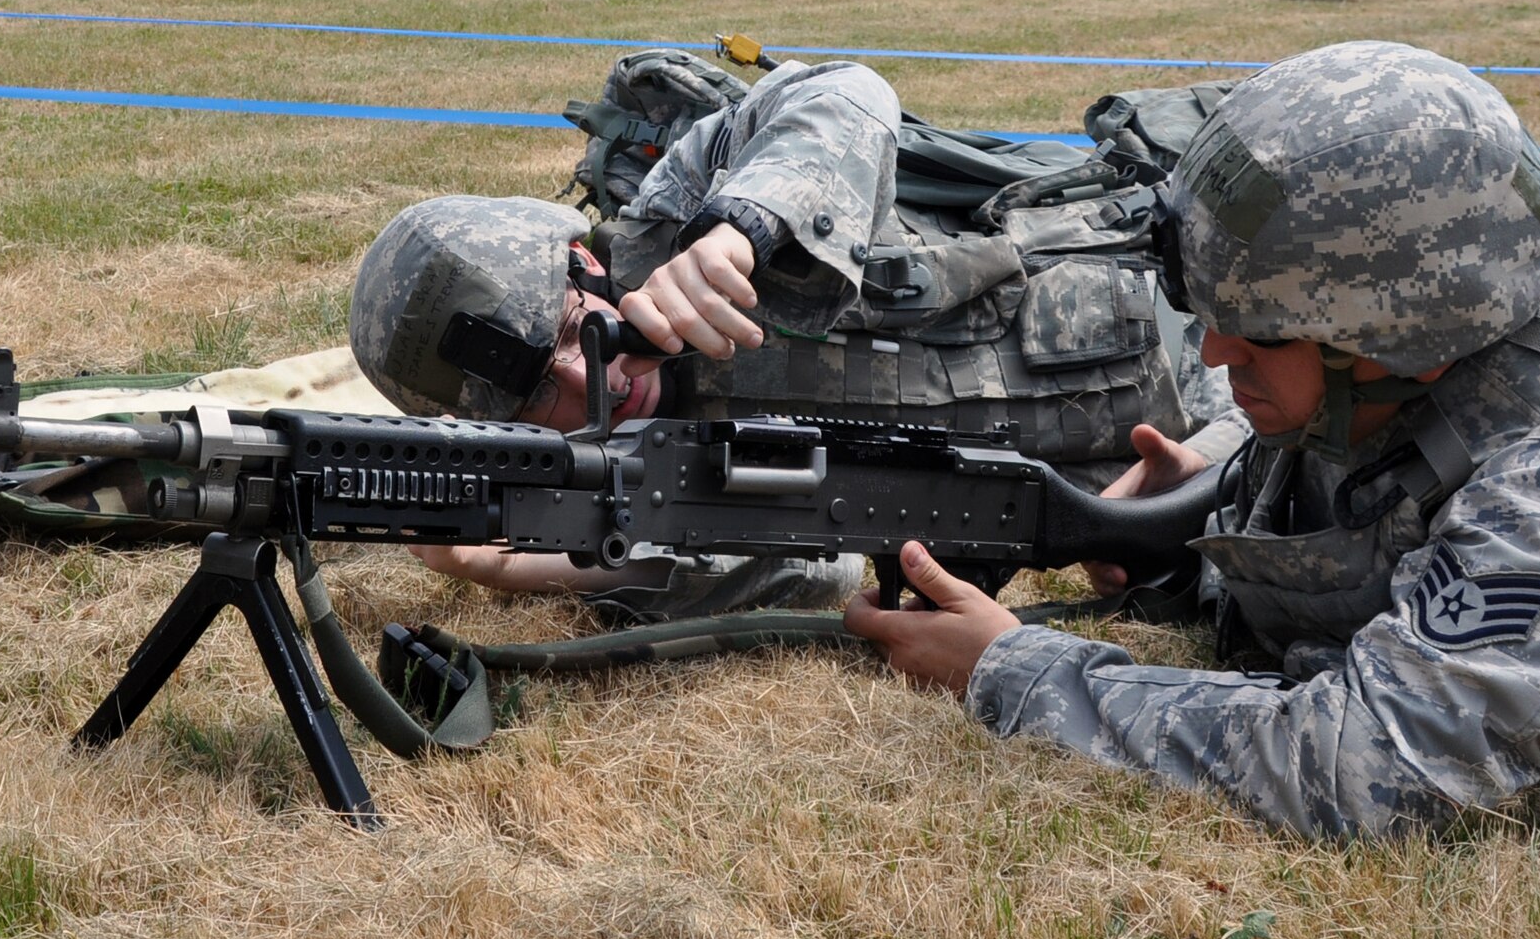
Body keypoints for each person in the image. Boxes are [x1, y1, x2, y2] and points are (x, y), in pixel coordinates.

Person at [845, 40, 1540, 837]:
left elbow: (1357, 767)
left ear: (1397, 338)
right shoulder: (1482, 289)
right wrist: (1214, 501)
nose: (1218, 354)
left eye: (1260, 331)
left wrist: (1012, 671)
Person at [346, 57, 1232, 618]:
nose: (594, 388)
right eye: (541, 395)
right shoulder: (626, 474)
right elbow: (813, 578)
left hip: (1200, 284)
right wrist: (507, 568)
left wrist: (738, 229)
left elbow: (844, 91)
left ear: (584, 261)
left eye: (578, 332)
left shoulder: (671, 222)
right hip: (1201, 468)